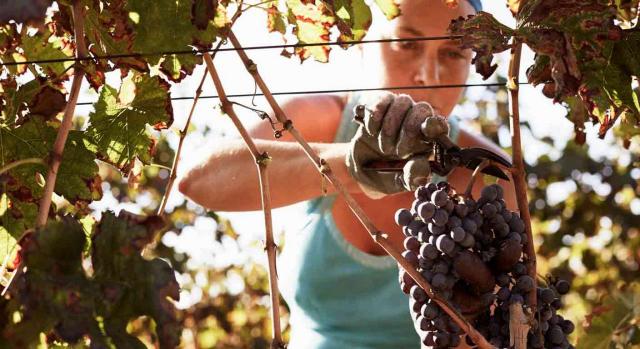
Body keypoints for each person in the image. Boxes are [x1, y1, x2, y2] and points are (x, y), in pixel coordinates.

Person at [179, 0, 516, 347]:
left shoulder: (486, 175)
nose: (427, 75)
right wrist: (351, 168)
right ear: (363, 42)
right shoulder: (315, 123)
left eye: (452, 54)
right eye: (407, 43)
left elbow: (501, 331)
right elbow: (198, 179)